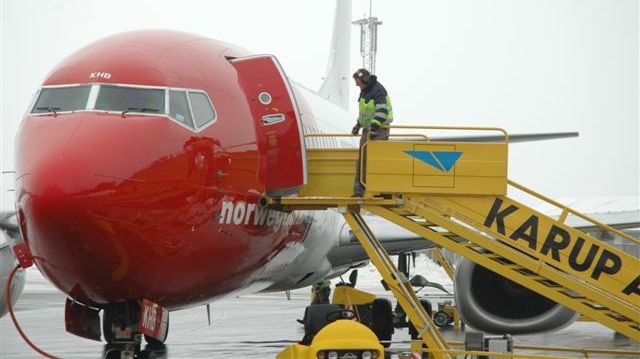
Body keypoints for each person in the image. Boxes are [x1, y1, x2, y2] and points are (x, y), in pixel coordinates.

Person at [351, 69, 394, 197]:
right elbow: (365, 113)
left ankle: (384, 191)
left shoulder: (378, 90)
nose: (356, 85)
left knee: (377, 160)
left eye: (357, 82)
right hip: (368, 129)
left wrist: (374, 129)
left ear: (364, 80)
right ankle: (359, 191)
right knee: (362, 160)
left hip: (379, 129)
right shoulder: (364, 91)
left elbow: (381, 112)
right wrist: (358, 125)